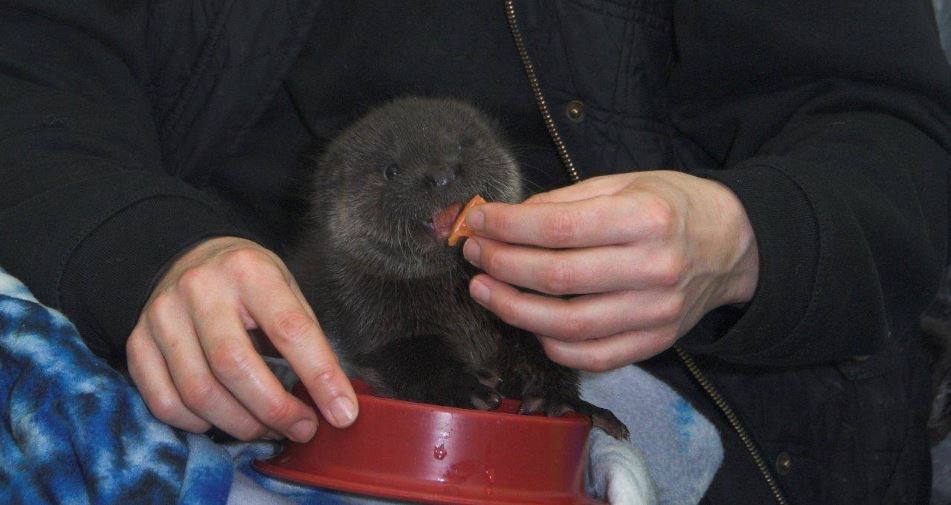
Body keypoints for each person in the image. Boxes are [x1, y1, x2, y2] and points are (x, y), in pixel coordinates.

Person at [1, 1, 949, 503]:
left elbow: (895, 136)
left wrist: (743, 237)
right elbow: (33, 75)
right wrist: (145, 249)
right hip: (231, 351)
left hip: (710, 392)